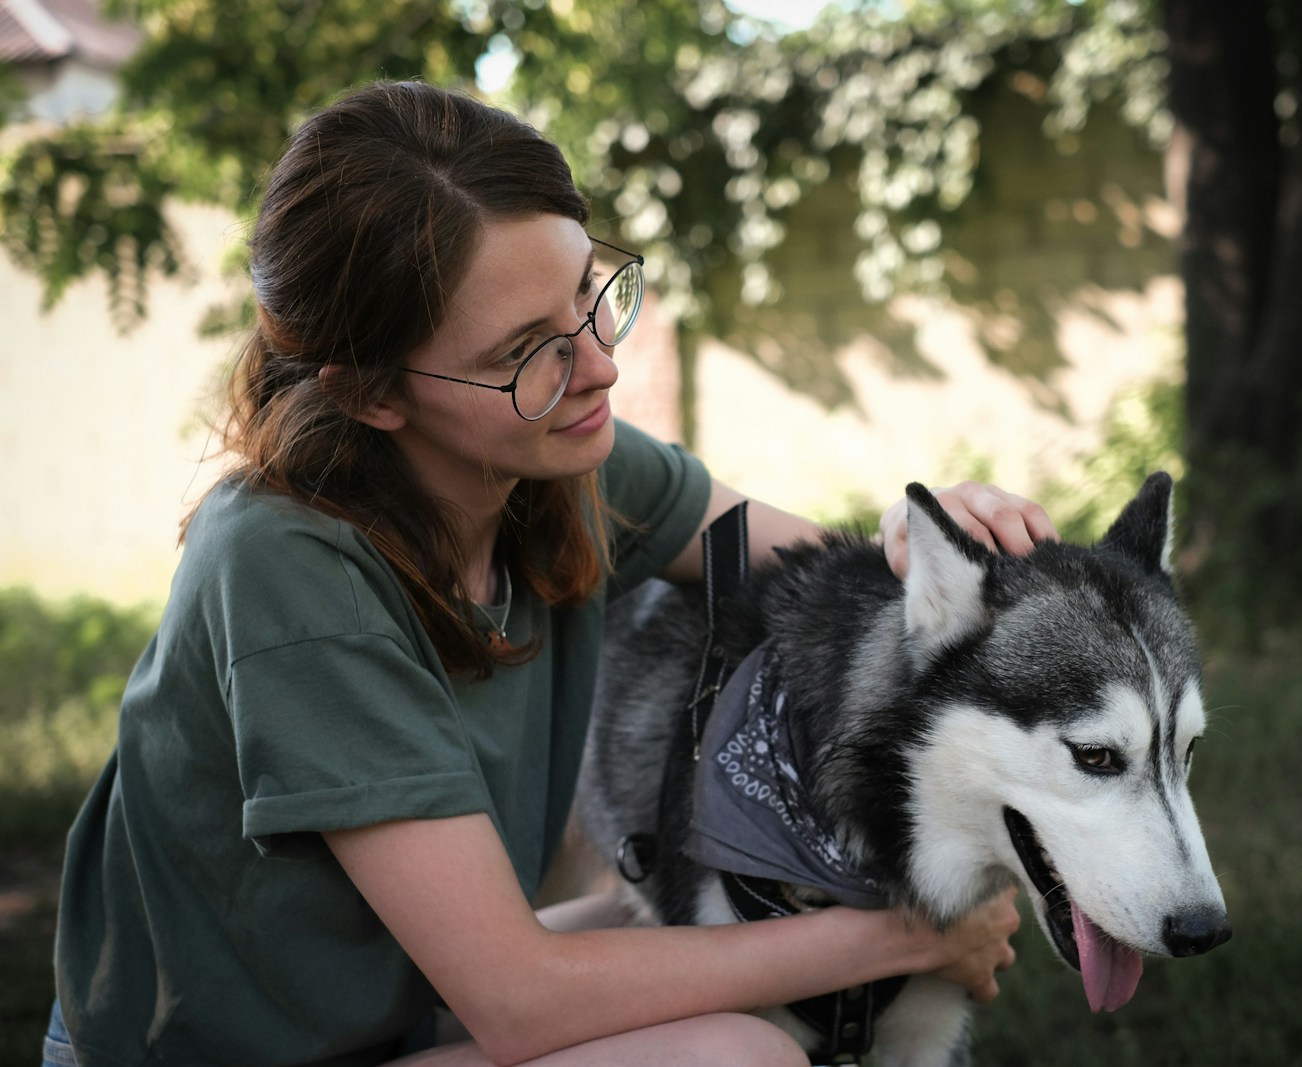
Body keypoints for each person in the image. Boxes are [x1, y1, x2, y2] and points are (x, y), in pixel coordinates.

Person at [44, 80, 1059, 1067]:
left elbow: (813, 573)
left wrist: (908, 533)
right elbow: (518, 1002)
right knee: (732, 1055)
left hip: (395, 1015)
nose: (600, 366)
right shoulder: (287, 569)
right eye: (526, 352)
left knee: (676, 919)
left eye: (587, 293)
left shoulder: (551, 459)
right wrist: (901, 937)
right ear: (371, 393)